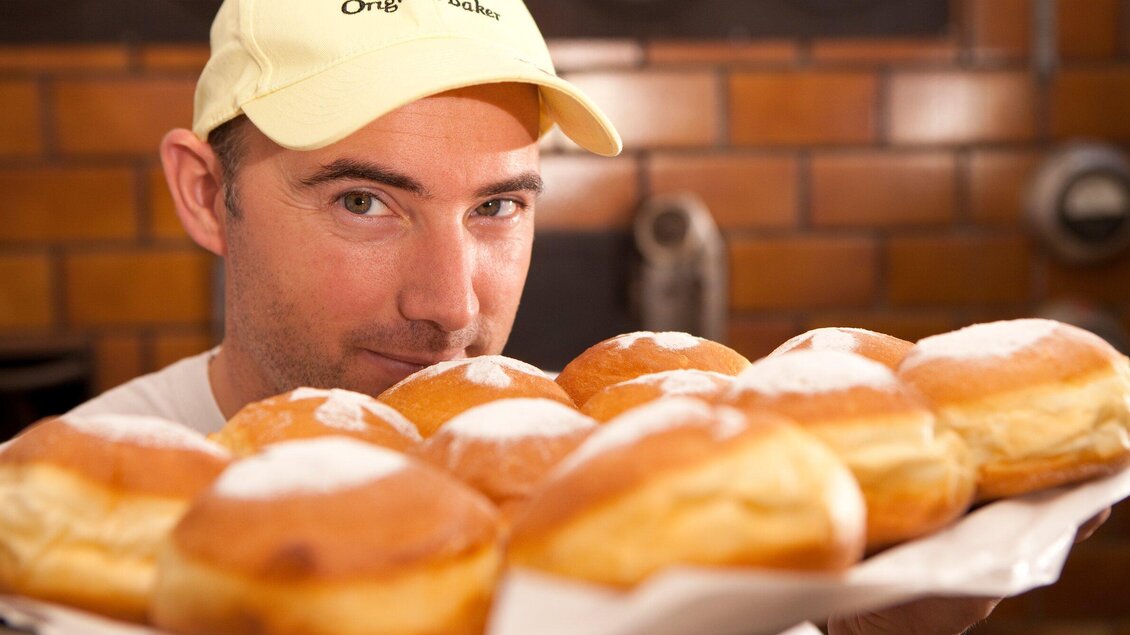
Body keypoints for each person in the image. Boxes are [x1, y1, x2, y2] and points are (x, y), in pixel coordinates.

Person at [64, 0, 1106, 633]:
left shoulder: (629, 503)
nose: (450, 304)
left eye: (496, 206)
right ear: (206, 193)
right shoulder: (73, 534)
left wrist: (852, 625)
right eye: (362, 202)